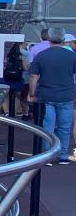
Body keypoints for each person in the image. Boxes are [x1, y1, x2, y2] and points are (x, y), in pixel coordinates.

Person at [28, 27, 76, 163]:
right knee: (64, 128)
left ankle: (47, 155)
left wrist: (32, 93)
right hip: (66, 95)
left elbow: (33, 76)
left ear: (49, 38)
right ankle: (63, 155)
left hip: (46, 95)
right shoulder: (72, 55)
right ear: (63, 38)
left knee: (47, 127)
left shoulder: (42, 55)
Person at [1, 42, 29, 117]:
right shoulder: (21, 56)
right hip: (17, 78)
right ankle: (14, 112)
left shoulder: (5, 55)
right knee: (17, 96)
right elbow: (26, 68)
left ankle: (6, 112)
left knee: (4, 96)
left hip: (6, 77)